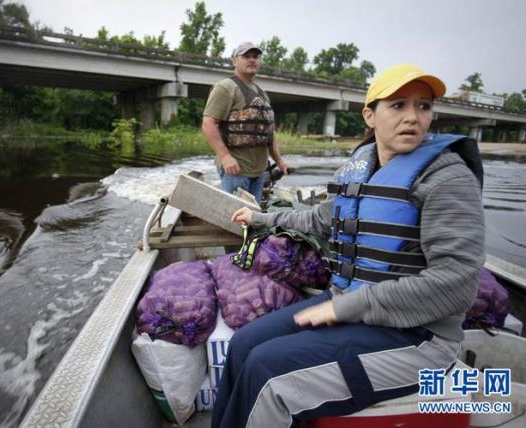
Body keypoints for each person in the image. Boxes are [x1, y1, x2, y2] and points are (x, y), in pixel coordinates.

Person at [213, 63, 485, 428]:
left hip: (418, 337)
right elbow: (319, 218)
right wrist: (261, 219)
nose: (413, 117)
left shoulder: (447, 178)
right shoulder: (361, 169)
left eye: (423, 106)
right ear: (370, 115)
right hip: (352, 309)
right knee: (243, 344)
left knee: (267, 371)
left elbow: (457, 284)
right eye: (398, 105)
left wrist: (347, 308)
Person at [202, 42, 289, 203]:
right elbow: (208, 123)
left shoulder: (262, 93)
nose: (252, 60)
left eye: (255, 57)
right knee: (238, 218)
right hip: (236, 170)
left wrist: (279, 161)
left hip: (259, 171)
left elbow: (269, 133)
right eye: (246, 56)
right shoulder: (225, 87)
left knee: (251, 217)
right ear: (235, 61)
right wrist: (225, 157)